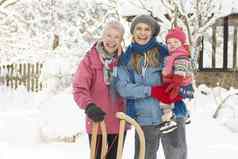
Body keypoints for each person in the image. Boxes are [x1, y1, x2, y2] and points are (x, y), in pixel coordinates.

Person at [116, 15, 187, 159]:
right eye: (139, 29)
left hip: (171, 115)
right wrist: (151, 90)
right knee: (144, 156)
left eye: (147, 29)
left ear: (153, 32)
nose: (142, 33)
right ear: (133, 31)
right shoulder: (126, 58)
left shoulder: (165, 52)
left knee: (176, 156)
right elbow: (122, 87)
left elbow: (183, 74)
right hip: (144, 118)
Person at [73, 20, 126, 159]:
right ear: (102, 36)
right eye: (108, 35)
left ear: (121, 40)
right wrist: (89, 105)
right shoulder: (90, 60)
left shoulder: (126, 61)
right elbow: (79, 88)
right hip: (97, 121)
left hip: (118, 123)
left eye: (116, 37)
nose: (112, 40)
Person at [151, 27, 194, 133]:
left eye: (175, 41)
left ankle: (171, 117)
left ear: (182, 43)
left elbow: (180, 70)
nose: (172, 44)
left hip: (180, 84)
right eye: (169, 42)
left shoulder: (181, 55)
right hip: (175, 83)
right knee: (172, 99)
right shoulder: (173, 55)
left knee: (167, 97)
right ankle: (182, 114)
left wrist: (176, 83)